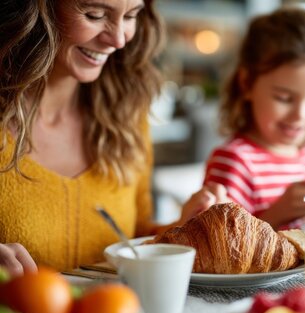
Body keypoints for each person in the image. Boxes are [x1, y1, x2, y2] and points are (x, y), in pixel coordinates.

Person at [0, 0, 227, 276]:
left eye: (131, 16)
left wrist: (183, 226)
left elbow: (135, 236)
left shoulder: (128, 120)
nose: (119, 39)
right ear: (39, 9)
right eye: (94, 15)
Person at [203, 7, 305, 230]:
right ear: (246, 84)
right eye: (284, 98)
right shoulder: (234, 161)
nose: (300, 114)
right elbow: (221, 245)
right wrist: (277, 214)